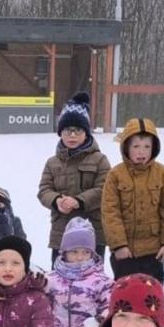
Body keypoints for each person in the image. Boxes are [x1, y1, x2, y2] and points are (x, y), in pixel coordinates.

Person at [100, 117, 164, 281]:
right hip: (125, 253)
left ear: (154, 148)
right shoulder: (115, 175)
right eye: (136, 146)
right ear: (126, 148)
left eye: (146, 147)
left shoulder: (162, 173)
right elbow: (110, 212)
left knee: (152, 292)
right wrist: (119, 245)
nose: (141, 152)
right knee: (125, 292)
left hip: (154, 252)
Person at [37, 92, 110, 264]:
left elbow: (105, 189)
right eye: (67, 130)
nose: (72, 135)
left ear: (86, 133)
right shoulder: (52, 162)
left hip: (93, 233)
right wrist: (56, 201)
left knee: (92, 277)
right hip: (61, 233)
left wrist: (79, 201)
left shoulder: (100, 160)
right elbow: (44, 190)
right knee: (60, 277)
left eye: (77, 130)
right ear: (60, 132)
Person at [45, 218, 112, 327]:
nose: (80, 257)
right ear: (64, 252)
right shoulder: (51, 279)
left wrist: (100, 320)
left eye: (86, 252)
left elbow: (110, 305)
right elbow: (41, 304)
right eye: (74, 252)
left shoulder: (101, 280)